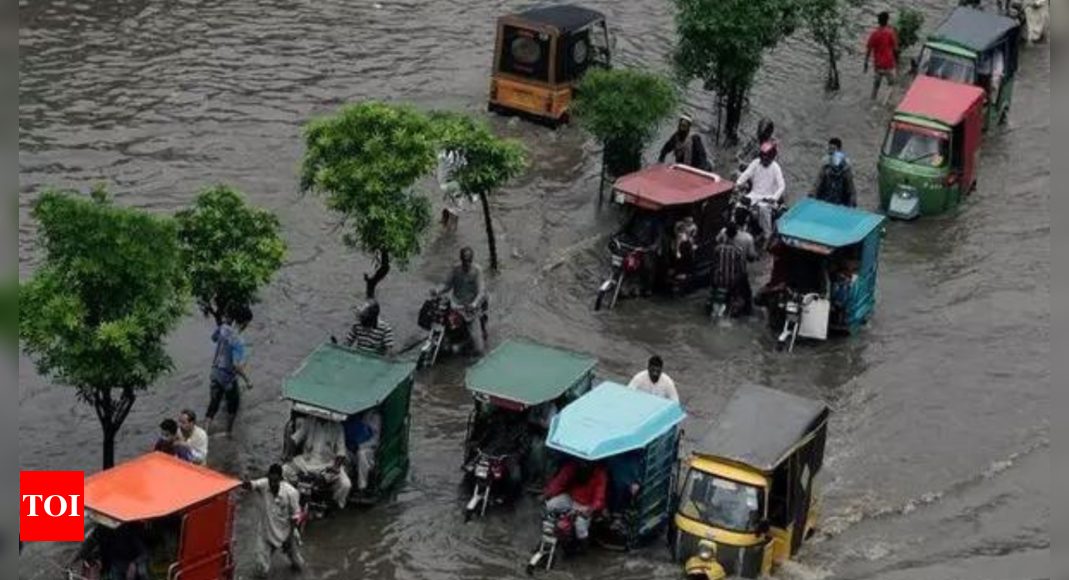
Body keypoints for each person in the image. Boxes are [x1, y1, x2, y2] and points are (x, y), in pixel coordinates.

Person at [243, 464, 304, 577]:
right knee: (261, 568)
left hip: (286, 532)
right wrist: (246, 480)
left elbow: (296, 516)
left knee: (298, 565)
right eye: (271, 480)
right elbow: (250, 485)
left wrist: (289, 539)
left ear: (281, 479)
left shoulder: (291, 492)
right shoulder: (264, 484)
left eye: (275, 481)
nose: (272, 484)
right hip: (267, 532)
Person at [205, 304, 253, 436]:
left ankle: (205, 434)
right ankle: (228, 433)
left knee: (213, 404)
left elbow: (213, 338)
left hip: (214, 373)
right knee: (233, 406)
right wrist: (247, 380)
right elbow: (236, 366)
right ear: (244, 323)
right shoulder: (239, 341)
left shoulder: (223, 328)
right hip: (228, 379)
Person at [284, 415, 351, 509]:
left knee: (345, 485)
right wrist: (288, 454)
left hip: (328, 464)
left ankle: (334, 504)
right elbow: (295, 439)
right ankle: (290, 496)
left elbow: (341, 452)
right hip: (306, 461)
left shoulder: (338, 427)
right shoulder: (310, 421)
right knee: (284, 470)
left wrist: (335, 468)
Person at [543, 460, 608, 546]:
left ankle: (582, 545)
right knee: (550, 505)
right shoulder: (572, 466)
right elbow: (559, 482)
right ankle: (549, 531)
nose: (584, 465)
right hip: (570, 497)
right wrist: (548, 494)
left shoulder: (600, 475)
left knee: (580, 526)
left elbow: (599, 498)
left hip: (586, 505)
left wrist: (590, 509)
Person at [436, 247, 488, 355]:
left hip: (470, 308)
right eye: (464, 261)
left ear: (472, 260)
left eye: (469, 261)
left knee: (479, 349)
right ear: (461, 259)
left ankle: (465, 344)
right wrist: (437, 290)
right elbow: (446, 284)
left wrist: (474, 304)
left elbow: (481, 291)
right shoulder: (455, 269)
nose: (466, 264)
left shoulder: (477, 271)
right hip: (456, 305)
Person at [736, 141, 786, 239]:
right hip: (754, 195)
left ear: (771, 158)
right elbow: (746, 174)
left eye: (767, 158)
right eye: (763, 158)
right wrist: (737, 184)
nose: (764, 161)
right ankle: (740, 228)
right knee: (739, 206)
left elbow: (782, 186)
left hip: (767, 198)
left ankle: (767, 234)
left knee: (763, 210)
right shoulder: (756, 162)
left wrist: (774, 197)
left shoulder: (776, 168)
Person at [712, 224, 752, 316]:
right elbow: (740, 269)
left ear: (725, 234)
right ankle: (745, 310)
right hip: (732, 282)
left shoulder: (718, 248)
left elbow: (714, 265)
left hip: (718, 280)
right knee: (746, 292)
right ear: (735, 235)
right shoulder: (738, 250)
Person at [811, 138, 857, 207]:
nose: (831, 152)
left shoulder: (846, 170)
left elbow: (851, 190)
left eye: (833, 149)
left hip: (840, 206)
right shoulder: (825, 168)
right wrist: (812, 196)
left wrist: (852, 204)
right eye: (830, 149)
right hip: (825, 203)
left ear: (839, 151)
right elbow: (817, 185)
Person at [344, 409, 382, 493]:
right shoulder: (351, 412)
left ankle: (362, 487)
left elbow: (375, 440)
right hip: (351, 448)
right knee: (343, 452)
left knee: (362, 454)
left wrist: (359, 446)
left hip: (366, 450)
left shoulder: (374, 416)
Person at [865, 11, 899, 101]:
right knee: (891, 84)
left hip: (878, 65)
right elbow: (896, 49)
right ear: (887, 20)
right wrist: (897, 62)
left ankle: (872, 102)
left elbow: (869, 49)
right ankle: (886, 102)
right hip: (889, 64)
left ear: (878, 21)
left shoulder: (874, 34)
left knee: (875, 87)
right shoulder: (890, 33)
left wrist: (866, 63)